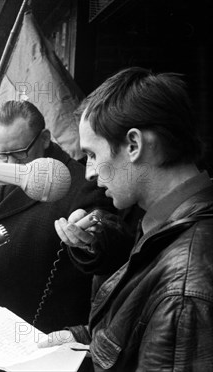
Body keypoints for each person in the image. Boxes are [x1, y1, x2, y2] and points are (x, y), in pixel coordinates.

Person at [40, 67, 213, 370]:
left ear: (134, 145)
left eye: (93, 154)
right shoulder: (167, 226)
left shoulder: (186, 285)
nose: (90, 172)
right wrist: (78, 339)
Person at [0, 100, 121, 371]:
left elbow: (105, 231)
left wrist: (91, 236)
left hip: (38, 348)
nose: (9, 164)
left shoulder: (78, 184)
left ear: (45, 139)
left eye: (18, 153)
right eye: (0, 154)